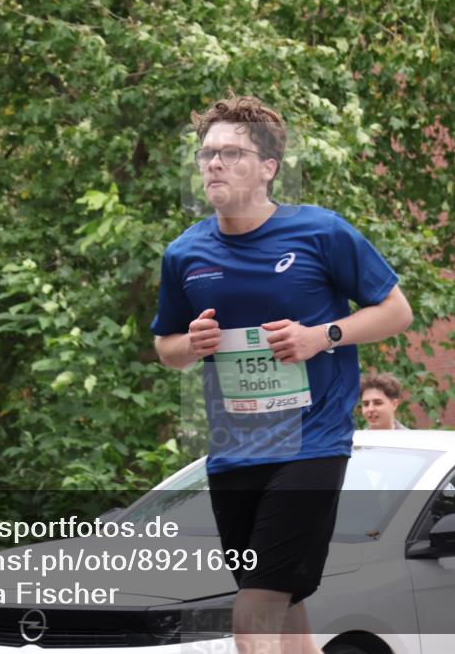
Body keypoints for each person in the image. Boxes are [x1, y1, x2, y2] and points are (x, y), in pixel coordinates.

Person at [151, 95, 412, 654]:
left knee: (253, 608)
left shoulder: (321, 233)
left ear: (268, 167)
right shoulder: (184, 253)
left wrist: (324, 336)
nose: (213, 164)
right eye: (206, 153)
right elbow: (165, 348)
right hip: (233, 451)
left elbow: (396, 311)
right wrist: (189, 345)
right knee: (281, 598)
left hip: (310, 445)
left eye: (230, 153)